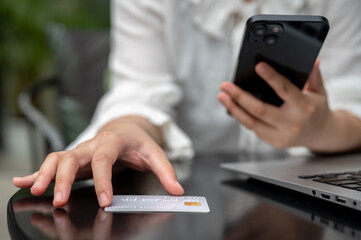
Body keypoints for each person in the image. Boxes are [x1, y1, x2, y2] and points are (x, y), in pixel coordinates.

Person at [13, 0, 361, 208]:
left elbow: (354, 102)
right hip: (185, 198)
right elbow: (138, 89)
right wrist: (123, 129)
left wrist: (325, 128)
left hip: (307, 197)